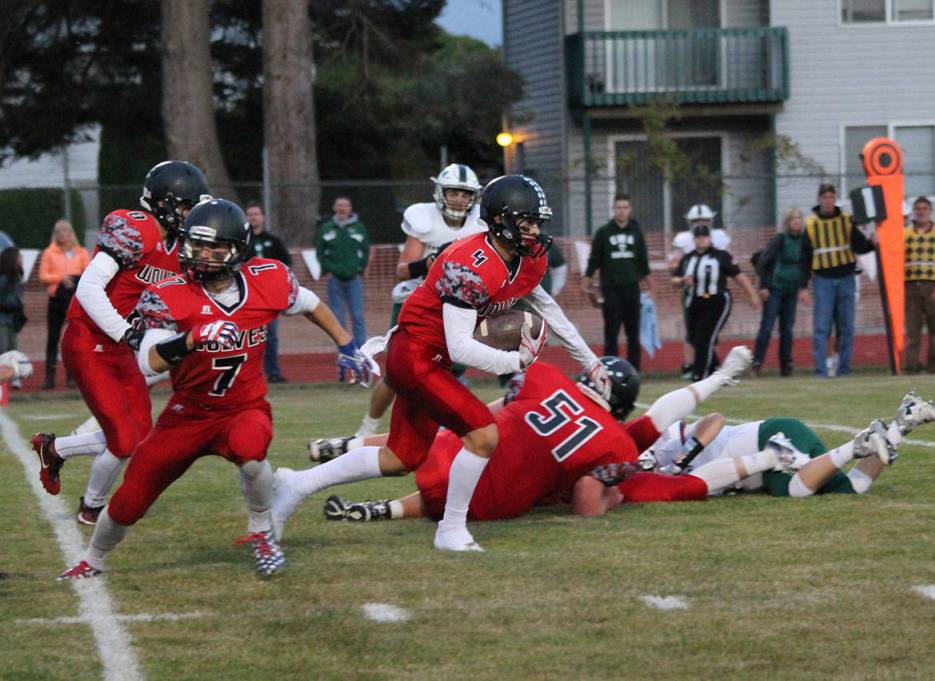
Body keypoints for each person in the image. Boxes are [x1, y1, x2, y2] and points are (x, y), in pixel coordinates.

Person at [272, 174, 613, 553]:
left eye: (537, 222)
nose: (534, 231)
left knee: (401, 457)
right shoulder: (469, 264)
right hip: (415, 354)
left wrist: (590, 361)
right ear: (500, 219)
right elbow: (461, 346)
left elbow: (548, 309)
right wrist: (513, 360)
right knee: (484, 435)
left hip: (433, 358)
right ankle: (450, 529)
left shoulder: (525, 257)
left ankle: (297, 483)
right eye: (526, 222)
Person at [56, 199, 371, 580]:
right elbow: (148, 361)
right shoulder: (169, 291)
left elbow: (311, 303)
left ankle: (261, 532)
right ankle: (93, 560)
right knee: (128, 501)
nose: (202, 255)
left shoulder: (267, 279)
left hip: (243, 408)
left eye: (214, 248)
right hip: (187, 414)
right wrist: (191, 339)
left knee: (251, 454)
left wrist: (346, 344)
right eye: (197, 245)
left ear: (237, 249)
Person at [316, 347, 755, 523]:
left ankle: (351, 450)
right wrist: (719, 379)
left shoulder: (547, 376)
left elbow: (501, 406)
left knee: (446, 443)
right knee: (469, 486)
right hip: (507, 495)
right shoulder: (618, 442)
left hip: (471, 449)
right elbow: (654, 422)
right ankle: (381, 509)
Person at [32, 160, 209, 526]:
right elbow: (89, 287)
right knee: (125, 440)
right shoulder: (135, 227)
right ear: (163, 202)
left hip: (119, 345)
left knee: (139, 438)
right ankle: (89, 504)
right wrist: (126, 332)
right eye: (186, 206)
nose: (191, 214)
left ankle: (59, 455)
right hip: (87, 339)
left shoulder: (178, 245)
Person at [355, 164, 486, 437]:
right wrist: (428, 262)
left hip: (455, 304)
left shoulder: (479, 225)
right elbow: (402, 269)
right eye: (454, 192)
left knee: (449, 371)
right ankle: (366, 430)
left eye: (465, 194)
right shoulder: (423, 218)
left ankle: (448, 434)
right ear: (441, 192)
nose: (460, 199)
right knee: (395, 373)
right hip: (415, 298)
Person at [632, 391, 935, 500]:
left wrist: (682, 458)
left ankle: (858, 445)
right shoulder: (661, 484)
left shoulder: (661, 444)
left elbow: (713, 420)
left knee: (793, 490)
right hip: (776, 446)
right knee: (852, 489)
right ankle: (903, 422)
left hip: (770, 439)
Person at [672, 224, 760, 381]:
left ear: (710, 238)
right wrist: (682, 280)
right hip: (694, 301)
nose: (701, 240)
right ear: (694, 239)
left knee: (704, 338)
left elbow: (738, 276)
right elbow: (675, 280)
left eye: (704, 236)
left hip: (716, 300)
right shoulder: (688, 258)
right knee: (694, 338)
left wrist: (752, 295)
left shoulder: (720, 256)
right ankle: (719, 372)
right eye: (698, 237)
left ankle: (700, 375)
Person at [804, 183, 874, 378]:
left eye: (831, 197)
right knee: (821, 328)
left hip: (846, 278)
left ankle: (844, 370)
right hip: (823, 279)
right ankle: (820, 371)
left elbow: (861, 246)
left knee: (846, 327)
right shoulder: (811, 224)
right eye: (824, 197)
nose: (828, 201)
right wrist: (803, 285)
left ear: (835, 199)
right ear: (819, 200)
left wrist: (873, 242)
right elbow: (805, 256)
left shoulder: (846, 221)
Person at [581, 194, 650, 370]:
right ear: (613, 209)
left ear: (630, 209)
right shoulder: (604, 232)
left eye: (625, 207)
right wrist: (587, 279)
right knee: (611, 332)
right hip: (611, 289)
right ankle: (610, 369)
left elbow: (643, 261)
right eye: (618, 207)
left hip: (632, 288)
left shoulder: (636, 232)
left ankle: (634, 370)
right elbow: (594, 258)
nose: (622, 211)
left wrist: (649, 284)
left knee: (632, 332)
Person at [670, 204, 731, 378]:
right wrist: (682, 275)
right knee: (693, 331)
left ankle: (711, 366)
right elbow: (675, 264)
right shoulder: (684, 239)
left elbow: (727, 260)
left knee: (710, 333)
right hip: (692, 291)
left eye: (703, 220)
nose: (700, 223)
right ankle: (693, 365)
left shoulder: (718, 238)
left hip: (713, 290)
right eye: (696, 221)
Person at [752, 208, 812, 376]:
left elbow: (806, 265)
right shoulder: (779, 240)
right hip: (774, 289)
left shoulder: (804, 242)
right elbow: (763, 261)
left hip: (791, 290)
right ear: (787, 222)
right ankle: (757, 362)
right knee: (767, 327)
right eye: (793, 219)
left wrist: (804, 287)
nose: (797, 222)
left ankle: (786, 365)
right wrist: (763, 286)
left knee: (787, 330)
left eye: (799, 219)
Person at [903, 197, 935, 373]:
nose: (921, 211)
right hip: (910, 287)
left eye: (925, 208)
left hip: (932, 286)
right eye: (918, 208)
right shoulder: (905, 234)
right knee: (912, 330)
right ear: (913, 212)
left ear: (930, 211)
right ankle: (911, 365)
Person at [38, 219, 91, 389]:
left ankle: (72, 377)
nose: (62, 234)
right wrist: (61, 278)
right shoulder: (49, 253)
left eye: (65, 231)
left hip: (75, 300)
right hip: (56, 300)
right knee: (53, 339)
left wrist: (75, 281)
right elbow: (43, 276)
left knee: (73, 339)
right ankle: (49, 377)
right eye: (58, 231)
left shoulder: (81, 252)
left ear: (70, 233)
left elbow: (89, 273)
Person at [246, 202, 292, 383]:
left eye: (256, 214)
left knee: (271, 335)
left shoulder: (273, 241)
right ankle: (247, 374)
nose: (253, 217)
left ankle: (273, 372)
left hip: (268, 296)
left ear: (262, 217)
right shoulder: (242, 240)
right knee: (247, 336)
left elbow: (286, 263)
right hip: (247, 295)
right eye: (249, 214)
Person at [316, 196, 369, 348]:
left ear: (350, 208)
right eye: (339, 205)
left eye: (345, 205)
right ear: (334, 208)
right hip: (335, 280)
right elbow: (320, 251)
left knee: (358, 317)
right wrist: (327, 269)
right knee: (337, 318)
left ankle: (362, 351)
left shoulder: (359, 227)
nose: (342, 208)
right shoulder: (327, 228)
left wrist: (361, 268)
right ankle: (344, 351)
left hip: (354, 279)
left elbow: (365, 249)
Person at [0, 247, 25, 358]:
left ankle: (12, 374)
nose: (22, 258)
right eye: (19, 256)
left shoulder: (18, 276)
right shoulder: (4, 278)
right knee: (4, 350)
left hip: (12, 318)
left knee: (13, 350)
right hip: (2, 319)